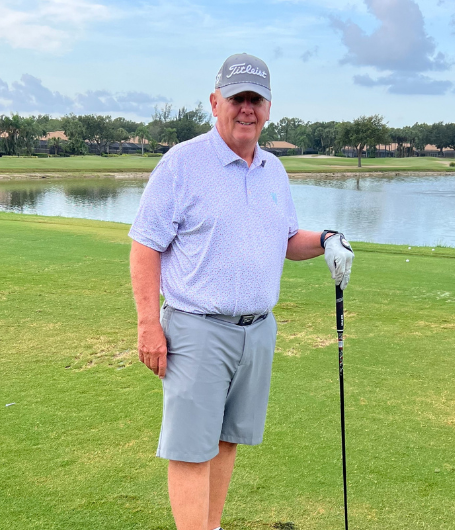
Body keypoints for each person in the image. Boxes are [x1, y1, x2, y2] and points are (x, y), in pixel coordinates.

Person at [129, 53, 354, 530]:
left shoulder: (273, 169)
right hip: (197, 329)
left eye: (256, 99)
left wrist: (326, 239)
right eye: (237, 99)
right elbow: (145, 245)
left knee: (227, 439)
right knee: (191, 450)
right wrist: (148, 325)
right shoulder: (182, 163)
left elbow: (286, 240)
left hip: (257, 331)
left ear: (269, 108)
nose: (247, 109)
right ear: (216, 103)